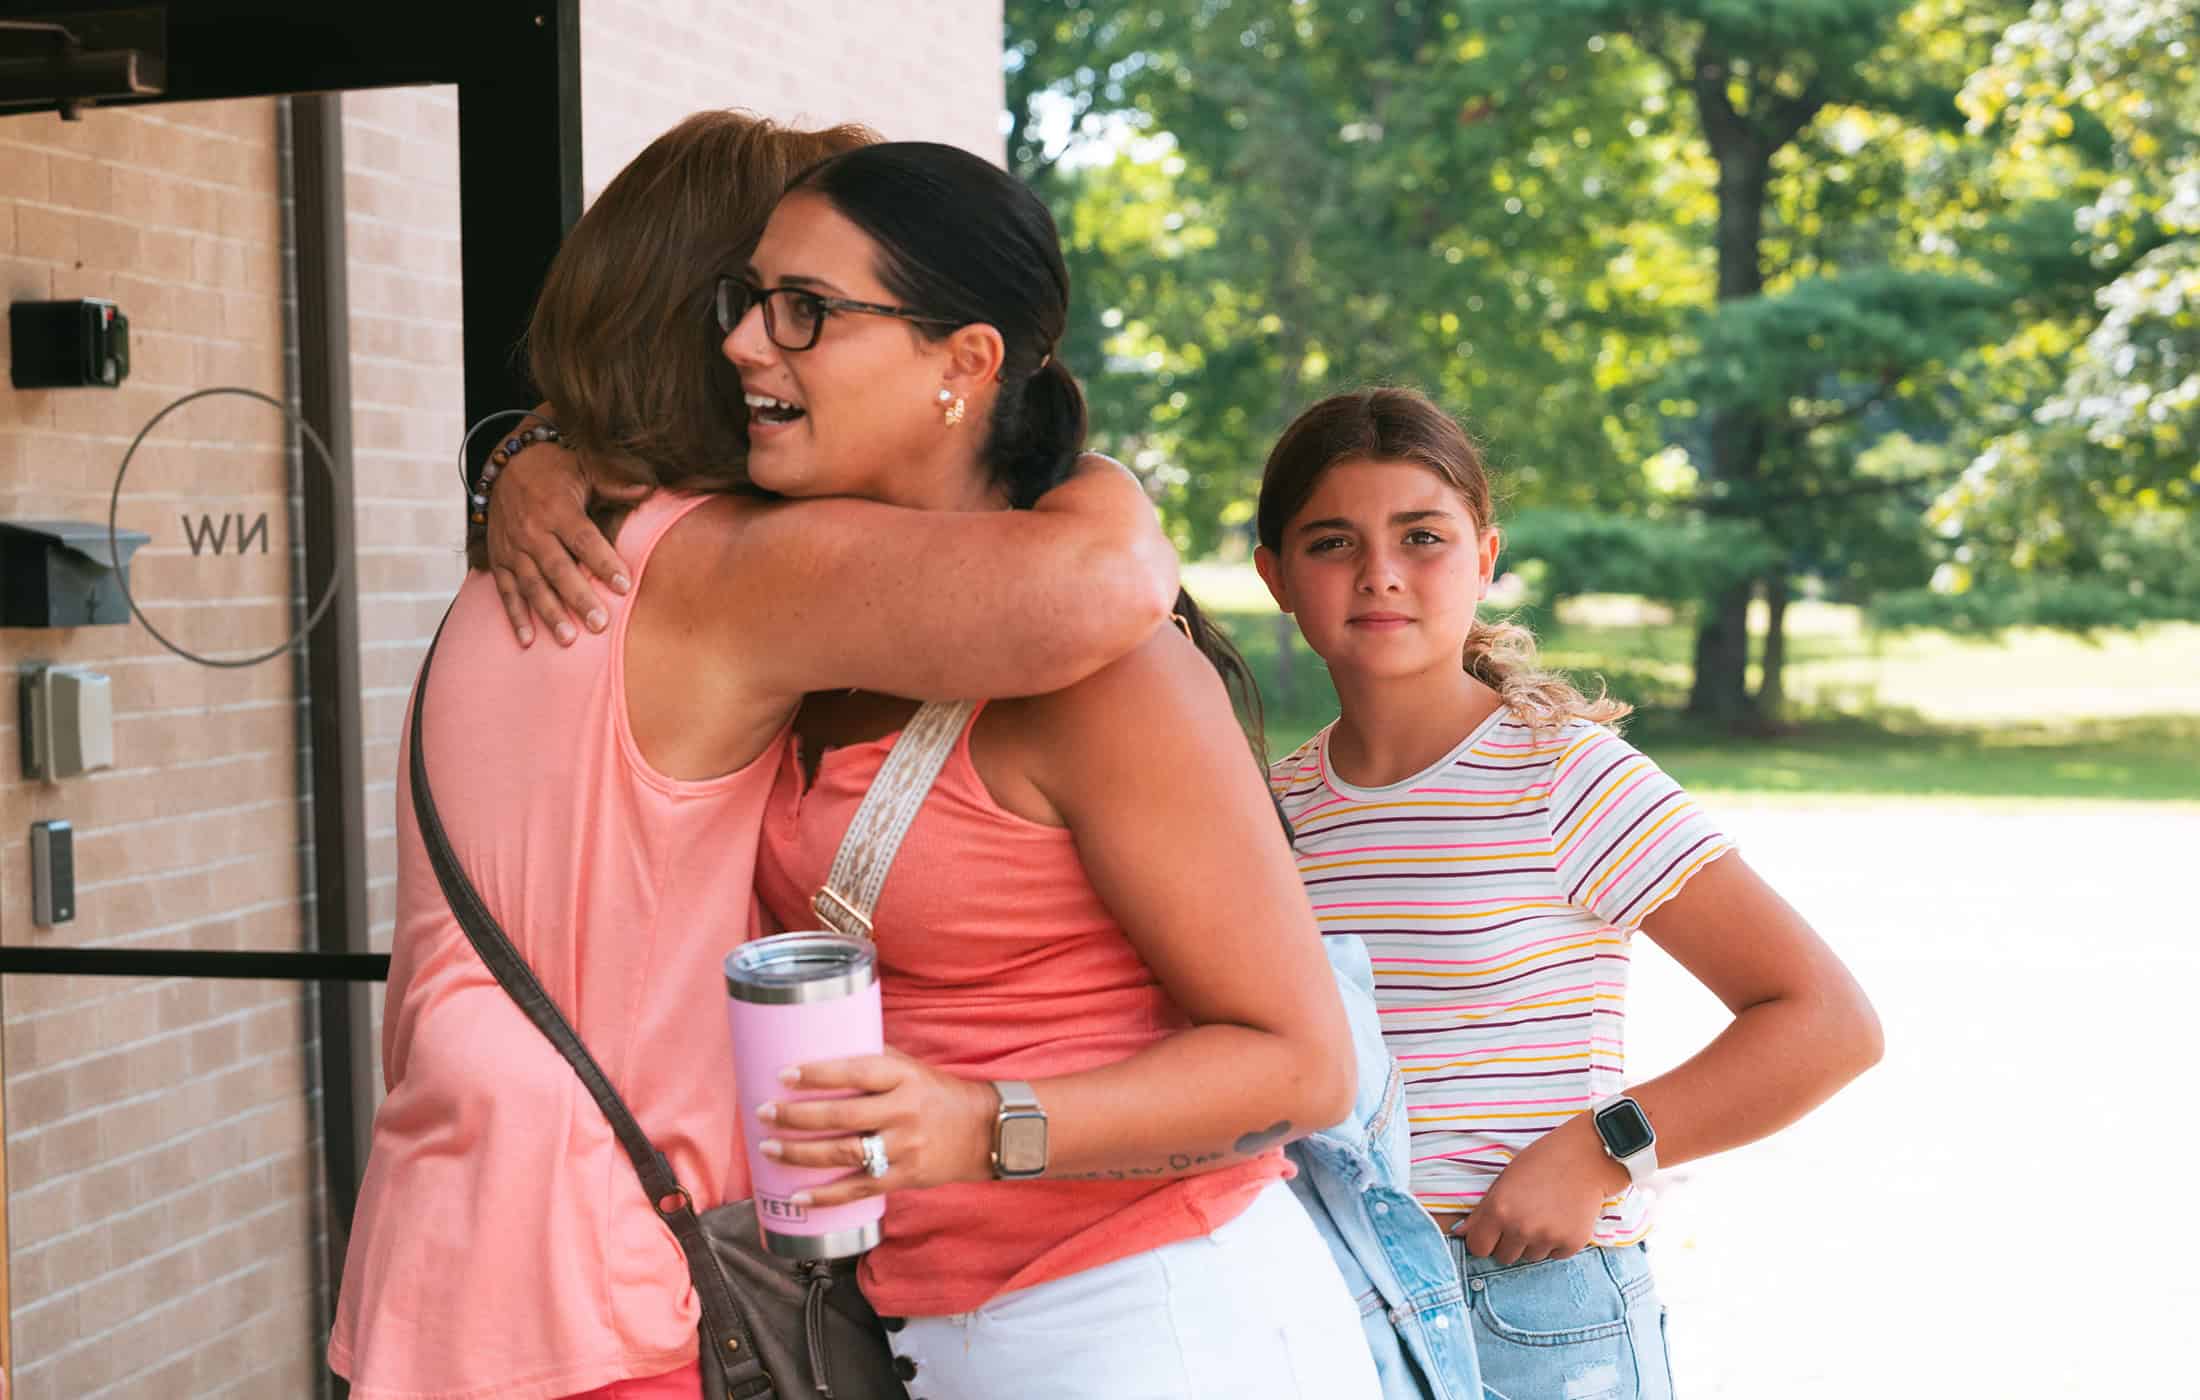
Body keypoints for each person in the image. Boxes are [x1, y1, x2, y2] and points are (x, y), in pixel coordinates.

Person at [487, 140, 1383, 1400]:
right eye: (743, 301)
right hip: (917, 1336)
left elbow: (1302, 1064)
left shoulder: (1106, 671)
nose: (746, 343)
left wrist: (977, 1122)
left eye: (807, 312)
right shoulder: (800, 617)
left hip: (1157, 1322)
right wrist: (523, 448)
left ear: (963, 363)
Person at [327, 111, 1185, 1400]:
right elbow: (1098, 582)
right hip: (600, 1283)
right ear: (711, 318)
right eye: (774, 297)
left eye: (807, 305)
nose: (774, 336)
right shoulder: (721, 569)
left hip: (444, 1247)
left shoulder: (528, 560)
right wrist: (1060, 431)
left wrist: (527, 447)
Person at [1253, 387, 1886, 1399]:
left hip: (1529, 1303)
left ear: (1484, 556)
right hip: (1327, 1304)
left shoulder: (1562, 775)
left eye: (1421, 535)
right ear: (1275, 576)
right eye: (1331, 542)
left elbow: (1827, 1020)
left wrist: (1603, 1149)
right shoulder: (1270, 807)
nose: (1379, 572)